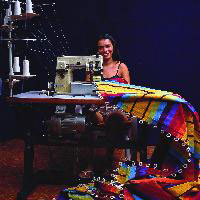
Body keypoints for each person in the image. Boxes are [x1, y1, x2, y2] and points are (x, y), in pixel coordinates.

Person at [79, 34, 131, 179]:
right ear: (97, 50)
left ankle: (107, 161)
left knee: (115, 118)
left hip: (117, 107)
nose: (105, 50)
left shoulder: (121, 67)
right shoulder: (92, 68)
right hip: (98, 107)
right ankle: (96, 164)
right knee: (92, 117)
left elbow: (129, 92)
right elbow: (87, 90)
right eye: (101, 47)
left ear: (113, 47)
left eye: (107, 46)